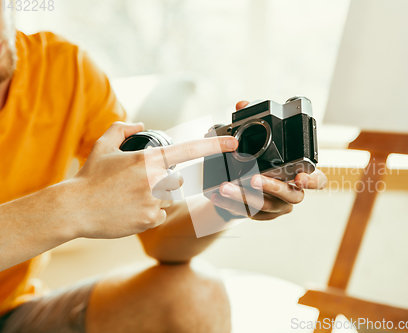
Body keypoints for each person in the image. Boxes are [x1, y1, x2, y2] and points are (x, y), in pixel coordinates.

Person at [0, 8, 326, 333]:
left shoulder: (62, 69)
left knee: (194, 295)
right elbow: (80, 204)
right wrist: (73, 206)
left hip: (11, 313)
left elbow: (160, 240)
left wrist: (233, 200)